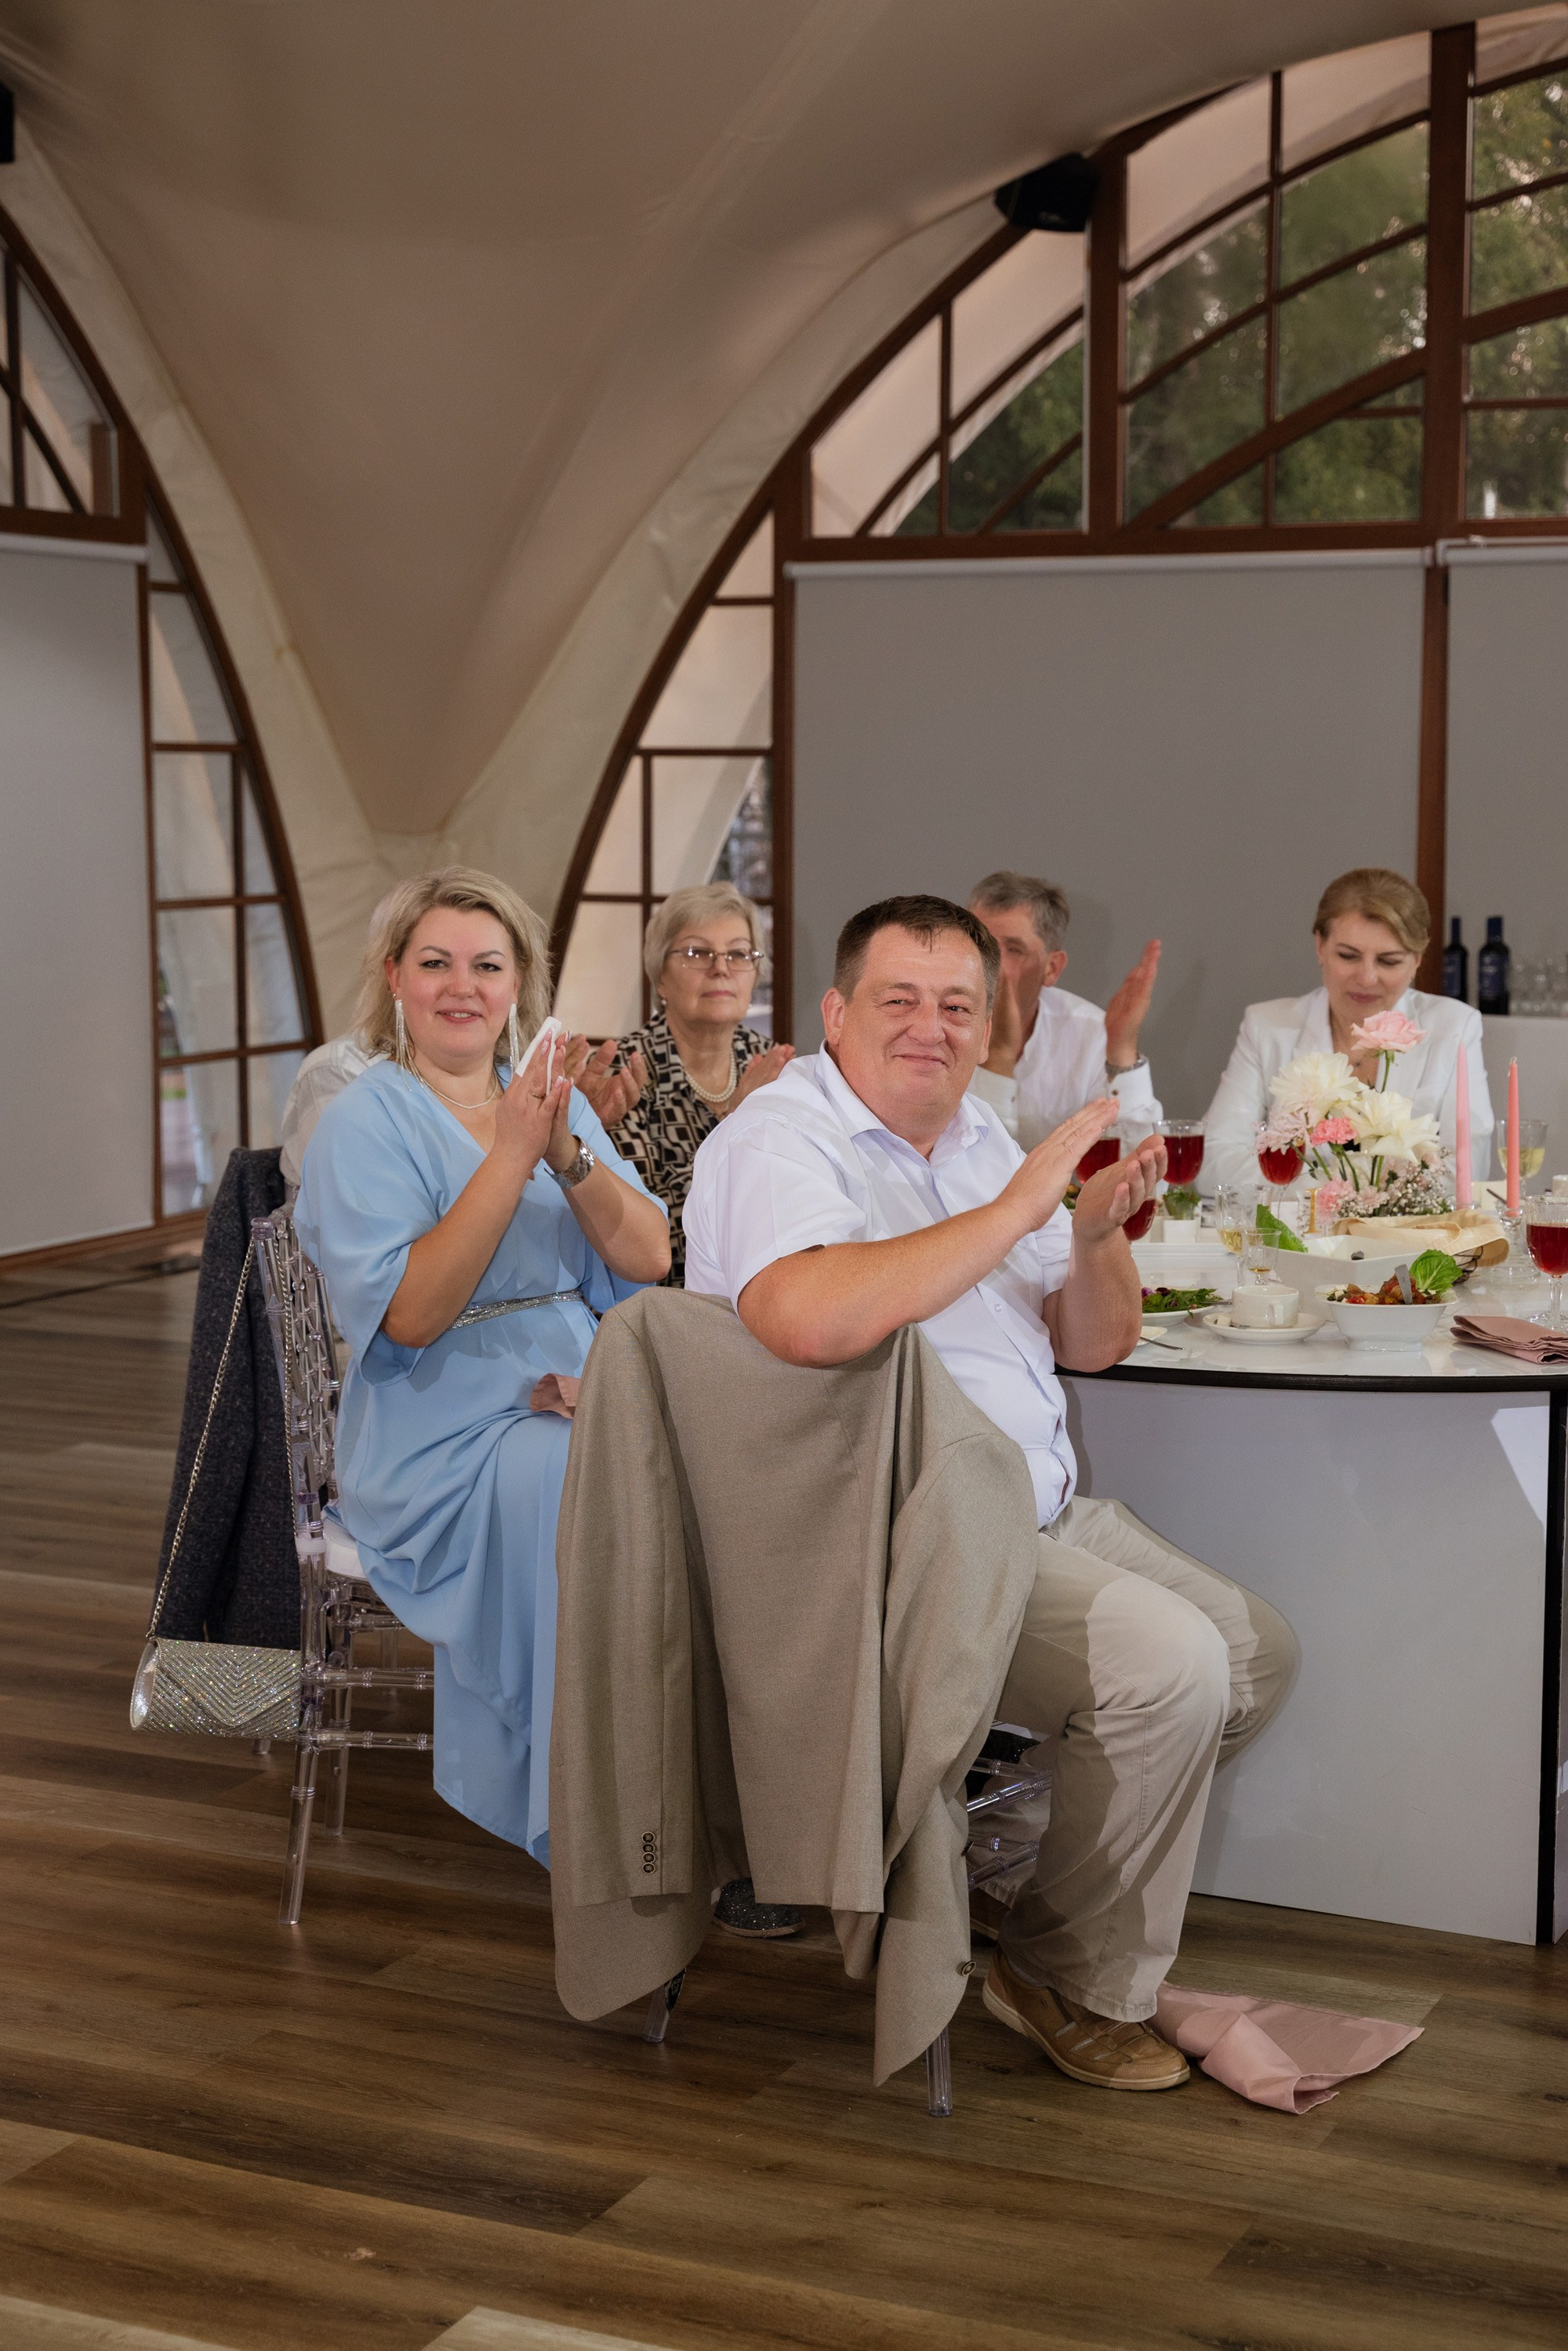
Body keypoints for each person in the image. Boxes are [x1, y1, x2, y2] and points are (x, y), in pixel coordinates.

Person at [684, 894, 1297, 2092]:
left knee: (1255, 1652)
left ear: (991, 1018)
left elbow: (1094, 1342)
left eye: (959, 1004)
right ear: (836, 1011)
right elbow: (805, 1318)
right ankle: (1070, 1974)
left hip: (1027, 1512)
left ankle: (1024, 1891)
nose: (933, 1026)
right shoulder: (779, 1137)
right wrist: (1023, 1205)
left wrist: (1099, 1235)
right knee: (1170, 1668)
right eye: (899, 999)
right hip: (888, 1538)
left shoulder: (974, 1134)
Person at [294, 866, 670, 1863]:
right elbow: (411, 1316)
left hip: (581, 1392)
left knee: (696, 1473)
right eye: (436, 963)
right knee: (580, 1484)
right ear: (395, 977)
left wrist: (567, 1153)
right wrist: (511, 1155)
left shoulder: (544, 1100)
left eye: (487, 965)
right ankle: (601, 1818)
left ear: (519, 986)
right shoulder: (364, 1119)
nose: (462, 985)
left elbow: (647, 1257)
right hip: (437, 1429)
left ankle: (687, 1783)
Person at [1204, 867, 1494, 1197]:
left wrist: (1317, 1185)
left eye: (1388, 961)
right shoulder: (1267, 1026)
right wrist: (1343, 1193)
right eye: (1348, 956)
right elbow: (1215, 1161)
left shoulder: (1455, 1027)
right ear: (1320, 947)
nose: (1367, 977)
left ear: (1417, 961)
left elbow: (1464, 1172)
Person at [608, 883, 796, 1286]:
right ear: (660, 976)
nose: (722, 968)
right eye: (697, 953)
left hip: (773, 1293)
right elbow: (656, 1242)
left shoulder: (776, 1068)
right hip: (667, 1307)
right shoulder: (624, 1074)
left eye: (739, 953)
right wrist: (734, 1121)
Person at [964, 872, 1163, 1151]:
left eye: (1013, 949)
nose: (990, 963)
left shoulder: (1091, 1034)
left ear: (1052, 968)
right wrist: (998, 1059)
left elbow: (1142, 1175)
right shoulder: (929, 1030)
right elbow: (969, 1173)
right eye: (979, 943)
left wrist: (1121, 1050)